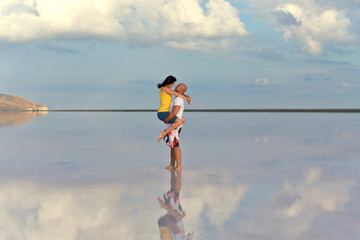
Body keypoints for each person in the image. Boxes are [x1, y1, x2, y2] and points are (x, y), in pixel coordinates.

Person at [158, 170, 193, 240]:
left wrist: (189, 236)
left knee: (172, 190)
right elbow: (177, 230)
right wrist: (165, 207)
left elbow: (188, 237)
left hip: (174, 214)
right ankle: (178, 172)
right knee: (176, 192)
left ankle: (172, 171)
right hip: (174, 213)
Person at [157, 76, 192, 142]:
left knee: (183, 119)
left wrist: (187, 96)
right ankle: (163, 133)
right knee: (179, 122)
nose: (173, 86)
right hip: (163, 112)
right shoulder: (164, 89)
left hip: (166, 112)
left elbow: (178, 93)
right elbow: (177, 94)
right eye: (172, 84)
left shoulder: (166, 89)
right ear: (168, 83)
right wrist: (187, 99)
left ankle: (167, 132)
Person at [164, 83, 187, 170]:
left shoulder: (178, 99)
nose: (175, 86)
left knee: (176, 146)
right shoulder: (177, 98)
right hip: (172, 125)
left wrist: (166, 120)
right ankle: (172, 164)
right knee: (172, 145)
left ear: (180, 90)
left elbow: (174, 112)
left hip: (175, 125)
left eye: (177, 86)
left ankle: (179, 166)